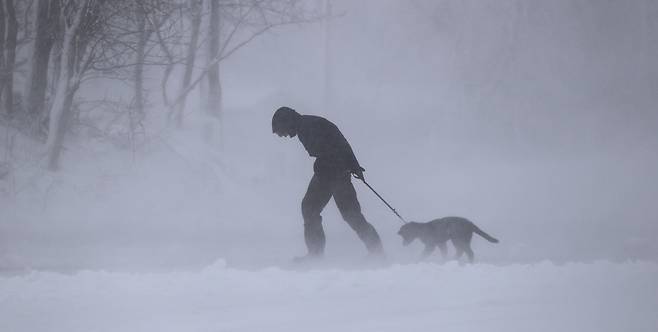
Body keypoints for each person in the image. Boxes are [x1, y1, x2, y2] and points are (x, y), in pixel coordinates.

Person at [272, 106, 384, 262]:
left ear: (286, 122)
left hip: (333, 175)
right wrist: (353, 165)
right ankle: (376, 252)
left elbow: (335, 146)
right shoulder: (306, 125)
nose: (281, 135)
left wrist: (353, 166)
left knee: (317, 210)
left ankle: (317, 256)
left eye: (279, 130)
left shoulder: (308, 127)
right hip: (331, 173)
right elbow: (340, 140)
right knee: (347, 215)